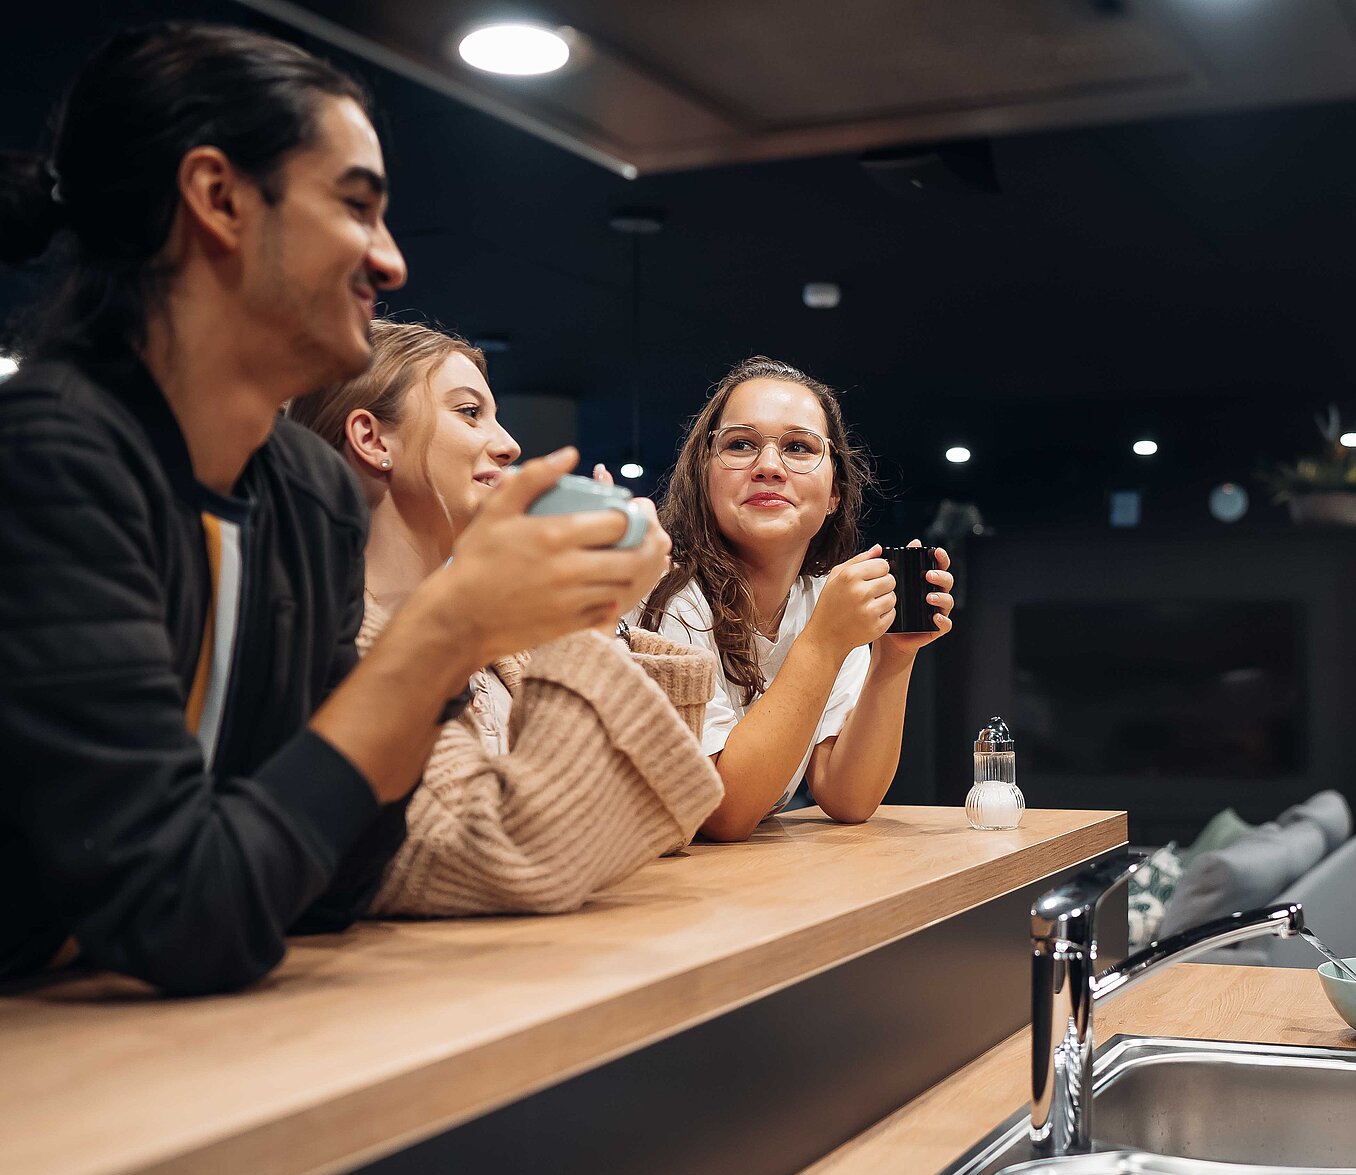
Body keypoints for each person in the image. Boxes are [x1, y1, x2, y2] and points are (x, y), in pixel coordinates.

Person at [0, 24, 655, 993]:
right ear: (218, 198)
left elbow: (330, 881)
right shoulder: (49, 458)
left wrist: (455, 647)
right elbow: (185, 910)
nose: (390, 261)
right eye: (356, 207)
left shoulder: (305, 497)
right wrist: (441, 635)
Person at [290, 319, 723, 915]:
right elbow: (516, 863)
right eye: (469, 412)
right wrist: (586, 615)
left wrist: (606, 612)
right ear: (372, 439)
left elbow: (663, 822)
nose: (509, 443)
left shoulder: (500, 637)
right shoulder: (332, 638)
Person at [635, 356, 954, 841]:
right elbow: (723, 813)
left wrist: (894, 656)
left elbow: (847, 796)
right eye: (740, 445)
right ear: (704, 475)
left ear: (835, 494)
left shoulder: (824, 599)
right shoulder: (663, 593)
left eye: (798, 447)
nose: (768, 467)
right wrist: (824, 642)